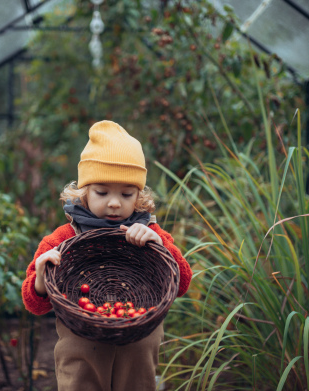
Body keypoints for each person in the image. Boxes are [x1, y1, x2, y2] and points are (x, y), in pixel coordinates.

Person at [21, 120, 193, 391]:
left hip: (139, 340)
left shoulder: (149, 231)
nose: (114, 202)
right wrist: (41, 278)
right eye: (102, 192)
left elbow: (182, 283)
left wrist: (160, 245)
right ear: (84, 192)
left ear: (139, 196)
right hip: (81, 341)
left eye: (126, 193)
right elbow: (35, 304)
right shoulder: (63, 238)